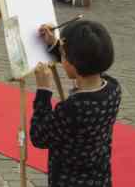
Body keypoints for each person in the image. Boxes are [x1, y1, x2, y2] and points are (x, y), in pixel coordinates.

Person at [31, 20, 120, 187]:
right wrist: (55, 45)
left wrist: (43, 91)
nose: (62, 58)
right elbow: (86, 60)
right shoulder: (113, 88)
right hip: (99, 177)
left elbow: (39, 137)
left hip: (69, 180)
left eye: (64, 55)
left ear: (72, 62)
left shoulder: (73, 107)